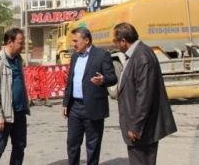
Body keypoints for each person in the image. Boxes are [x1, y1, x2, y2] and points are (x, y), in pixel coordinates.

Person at [112, 23, 177, 165]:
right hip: (142, 127)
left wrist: (136, 126)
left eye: (115, 41)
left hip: (142, 130)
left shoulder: (141, 56)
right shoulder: (136, 54)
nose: (114, 44)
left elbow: (145, 95)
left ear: (123, 41)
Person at [62, 27, 117, 165]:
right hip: (74, 107)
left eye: (76, 41)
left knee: (92, 146)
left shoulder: (102, 55)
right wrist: (65, 103)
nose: (73, 44)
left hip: (93, 107)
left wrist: (103, 80)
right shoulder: (75, 56)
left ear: (86, 40)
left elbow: (113, 78)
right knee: (72, 144)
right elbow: (70, 81)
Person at [0, 27, 30, 165]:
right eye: (20, 42)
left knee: (20, 146)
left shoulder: (18, 59)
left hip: (19, 112)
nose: (23, 46)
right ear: (10, 42)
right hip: (4, 114)